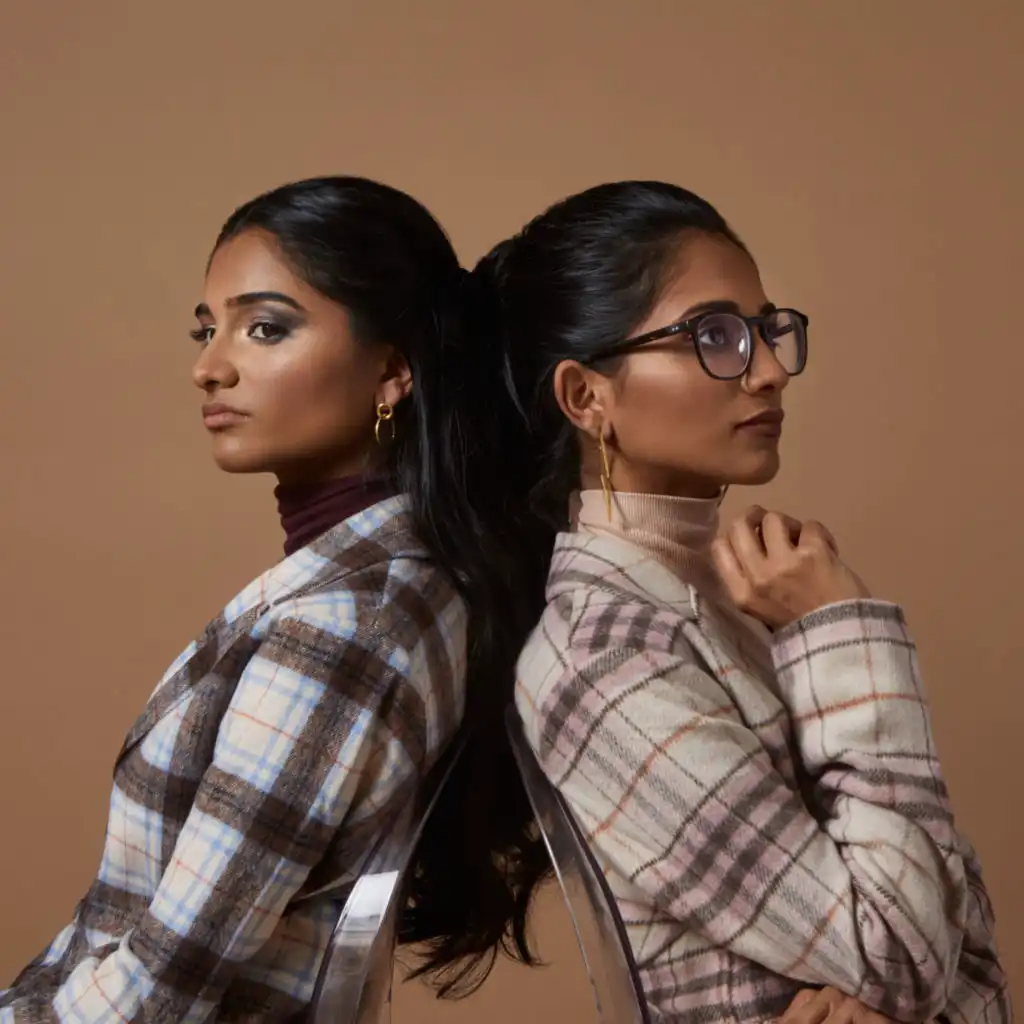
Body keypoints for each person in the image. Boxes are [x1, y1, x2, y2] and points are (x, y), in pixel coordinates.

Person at [457, 180, 1010, 1024]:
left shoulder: (729, 598)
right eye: (714, 335)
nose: (773, 370)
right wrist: (840, 633)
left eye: (766, 329)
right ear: (586, 397)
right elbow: (903, 955)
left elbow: (944, 936)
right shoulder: (604, 659)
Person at [0, 176, 546, 1023]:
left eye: (264, 328)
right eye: (207, 328)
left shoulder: (341, 629)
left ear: (392, 370)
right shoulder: (411, 582)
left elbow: (161, 986)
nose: (208, 367)